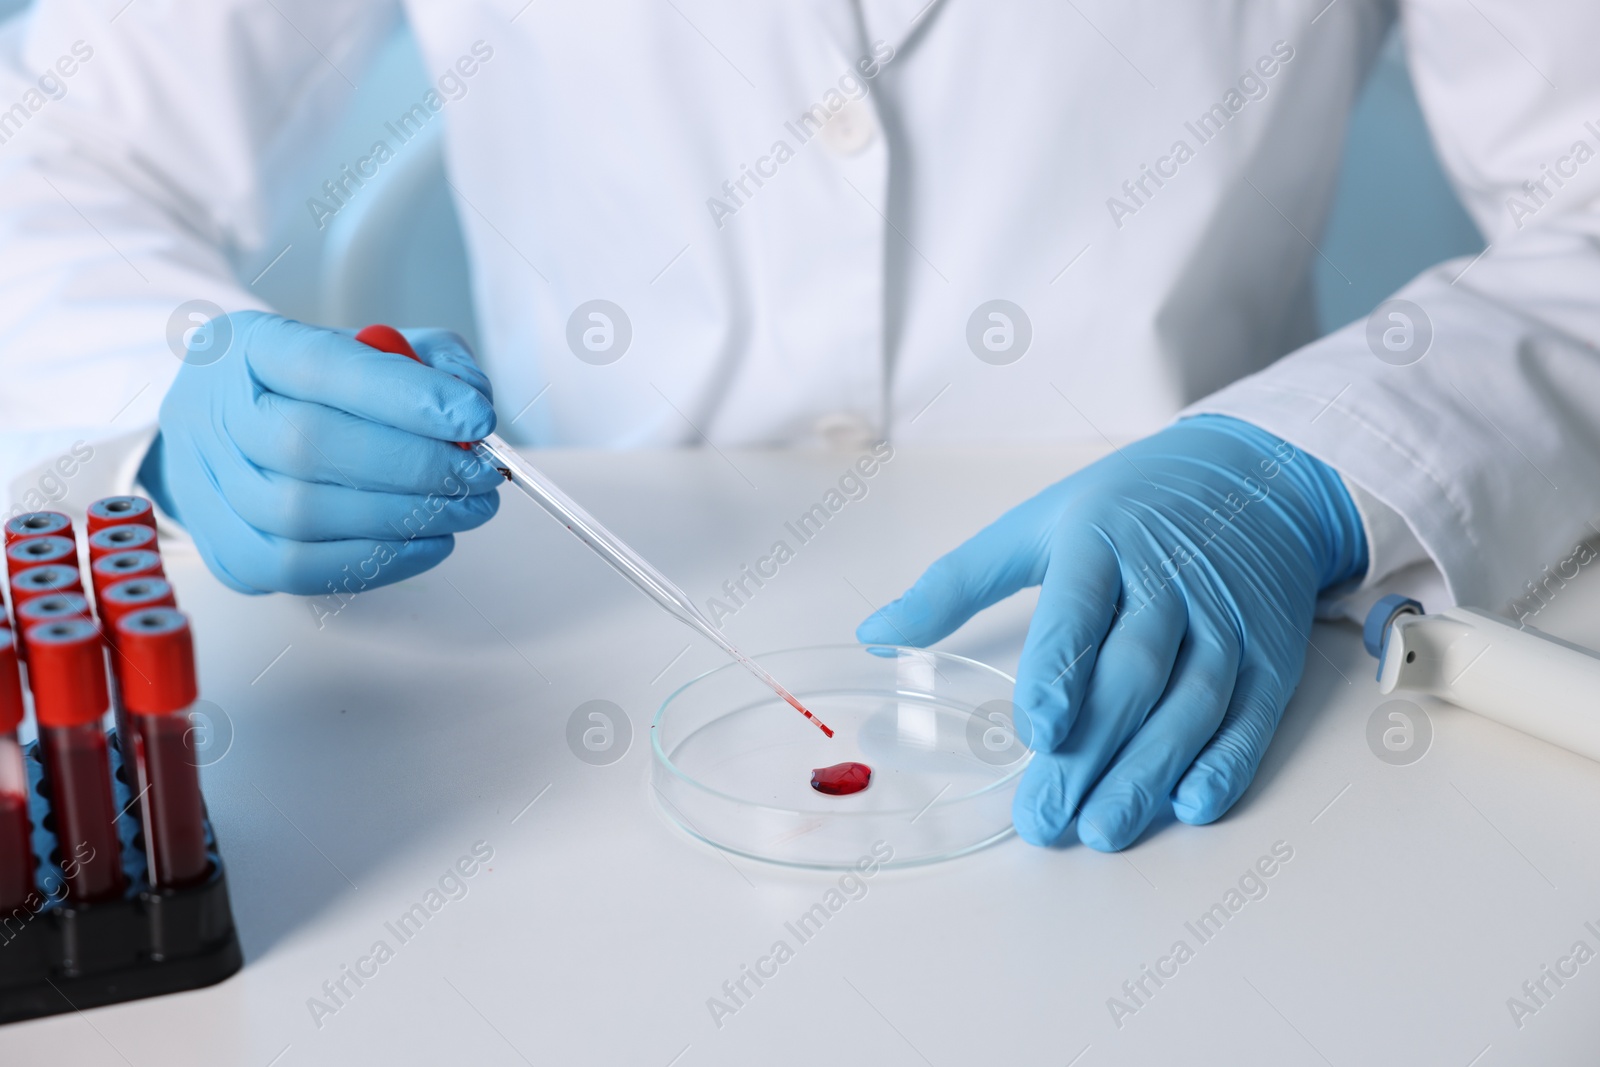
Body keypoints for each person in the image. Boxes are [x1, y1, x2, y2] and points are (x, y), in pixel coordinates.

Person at [1, 1, 1595, 853]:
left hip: (1199, 678)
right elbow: (53, 151)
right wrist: (166, 396)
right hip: (550, 695)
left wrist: (1315, 461)